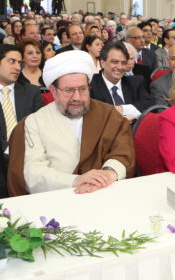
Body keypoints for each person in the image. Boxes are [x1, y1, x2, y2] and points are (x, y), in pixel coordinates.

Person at [7, 50, 135, 195]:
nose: (77, 97)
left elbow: (122, 152)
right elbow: (33, 173)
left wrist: (108, 174)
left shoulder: (108, 114)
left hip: (105, 191)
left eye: (82, 89)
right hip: (57, 198)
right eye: (68, 90)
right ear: (53, 91)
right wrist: (75, 181)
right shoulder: (34, 123)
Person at [0, 45, 43, 196]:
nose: (17, 67)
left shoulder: (31, 92)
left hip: (27, 158)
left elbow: (39, 128)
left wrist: (17, 151)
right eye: (12, 61)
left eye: (20, 63)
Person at [90, 41, 154, 121]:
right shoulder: (91, 85)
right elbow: (93, 113)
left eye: (123, 63)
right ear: (102, 63)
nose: (120, 67)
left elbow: (150, 104)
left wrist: (122, 109)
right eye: (114, 62)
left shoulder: (135, 82)